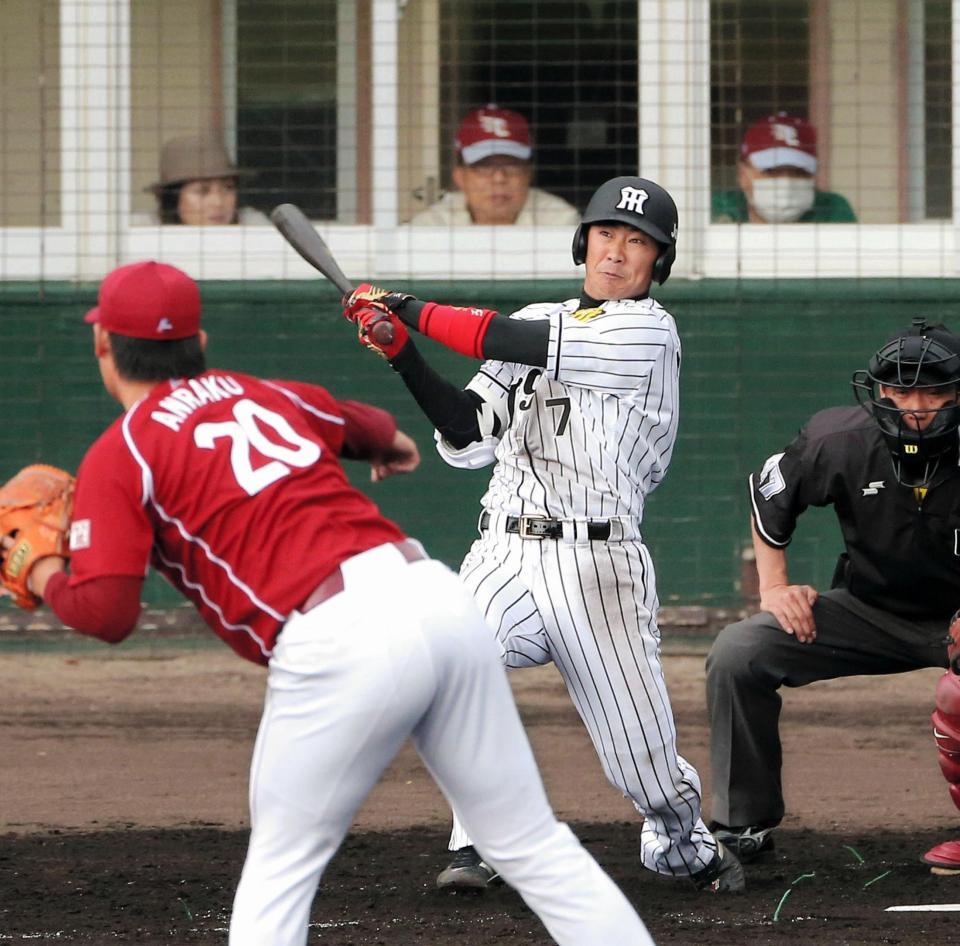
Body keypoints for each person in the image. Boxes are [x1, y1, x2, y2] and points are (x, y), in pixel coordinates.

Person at [25, 260, 656, 945]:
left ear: (102, 347)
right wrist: (391, 448)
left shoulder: (122, 454)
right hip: (436, 598)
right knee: (534, 845)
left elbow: (107, 612)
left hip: (339, 640)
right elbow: (369, 425)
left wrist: (40, 573)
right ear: (200, 341)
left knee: (279, 870)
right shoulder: (267, 394)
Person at [342, 175, 746, 895]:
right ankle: (482, 841)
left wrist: (408, 307)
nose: (617, 252)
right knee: (450, 670)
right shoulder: (539, 316)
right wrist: (403, 352)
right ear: (582, 240)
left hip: (599, 564)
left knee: (640, 764)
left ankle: (685, 843)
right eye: (605, 234)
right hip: (503, 547)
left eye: (637, 242)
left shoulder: (647, 331)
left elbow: (508, 337)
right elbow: (467, 431)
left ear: (659, 262)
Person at [706, 319, 960, 864]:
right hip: (870, 612)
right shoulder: (840, 439)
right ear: (877, 392)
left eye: (933, 390)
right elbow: (770, 489)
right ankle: (741, 824)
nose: (914, 405)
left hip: (957, 619)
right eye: (899, 389)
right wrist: (774, 588)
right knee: (741, 650)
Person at [409, 104, 581, 226]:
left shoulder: (560, 221)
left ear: (529, 173)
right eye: (484, 167)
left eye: (512, 165)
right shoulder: (432, 226)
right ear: (459, 176)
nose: (499, 178)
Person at [712, 112, 856, 224]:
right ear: (742, 175)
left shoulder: (832, 210)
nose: (786, 181)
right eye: (771, 171)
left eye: (799, 172)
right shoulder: (718, 210)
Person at [143, 133, 269, 225]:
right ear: (172, 199)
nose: (218, 203)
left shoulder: (254, 227)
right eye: (203, 191)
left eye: (228, 188)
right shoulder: (144, 233)